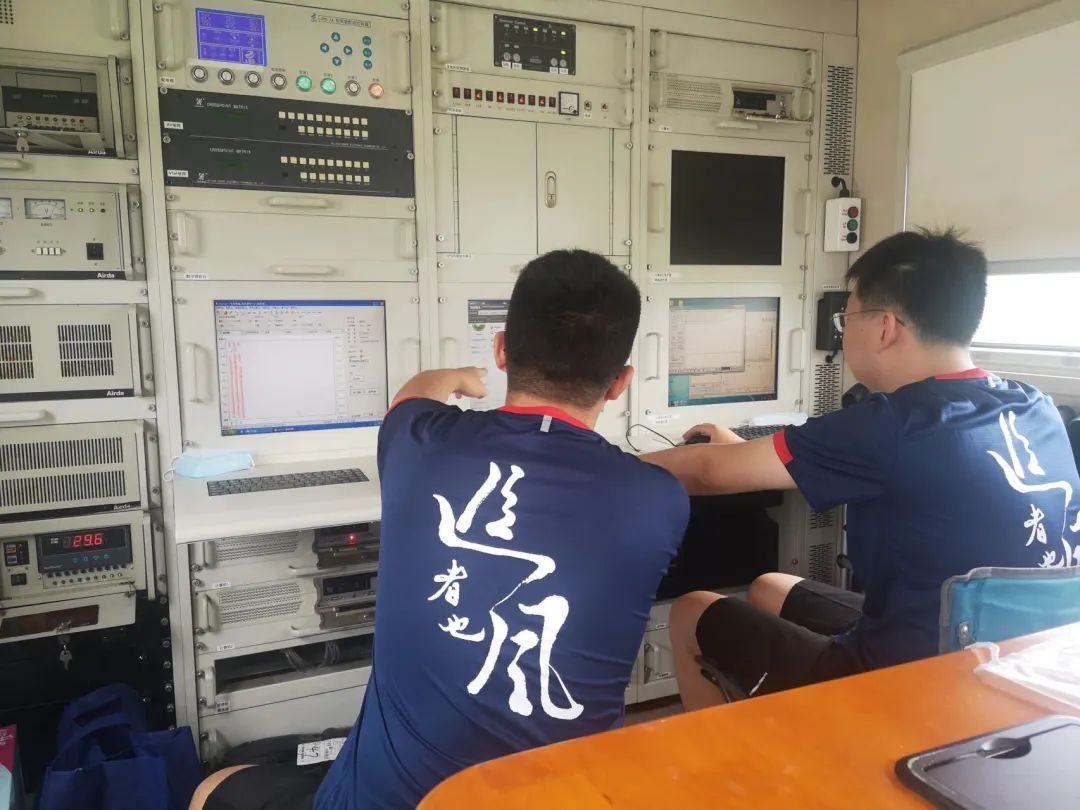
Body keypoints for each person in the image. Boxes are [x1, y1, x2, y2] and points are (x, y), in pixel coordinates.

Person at [191, 250, 689, 810]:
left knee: (215, 787)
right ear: (620, 383)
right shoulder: (659, 499)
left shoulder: (416, 441)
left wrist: (455, 378)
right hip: (569, 797)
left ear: (501, 350)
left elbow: (411, 395)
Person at [643, 229, 1080, 710]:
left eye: (846, 318)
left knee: (692, 612)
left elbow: (706, 471)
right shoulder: (1034, 405)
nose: (843, 333)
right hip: (1012, 658)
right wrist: (744, 450)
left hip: (913, 680)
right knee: (770, 587)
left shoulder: (892, 424)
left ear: (885, 327)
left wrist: (597, 464)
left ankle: (732, 758)